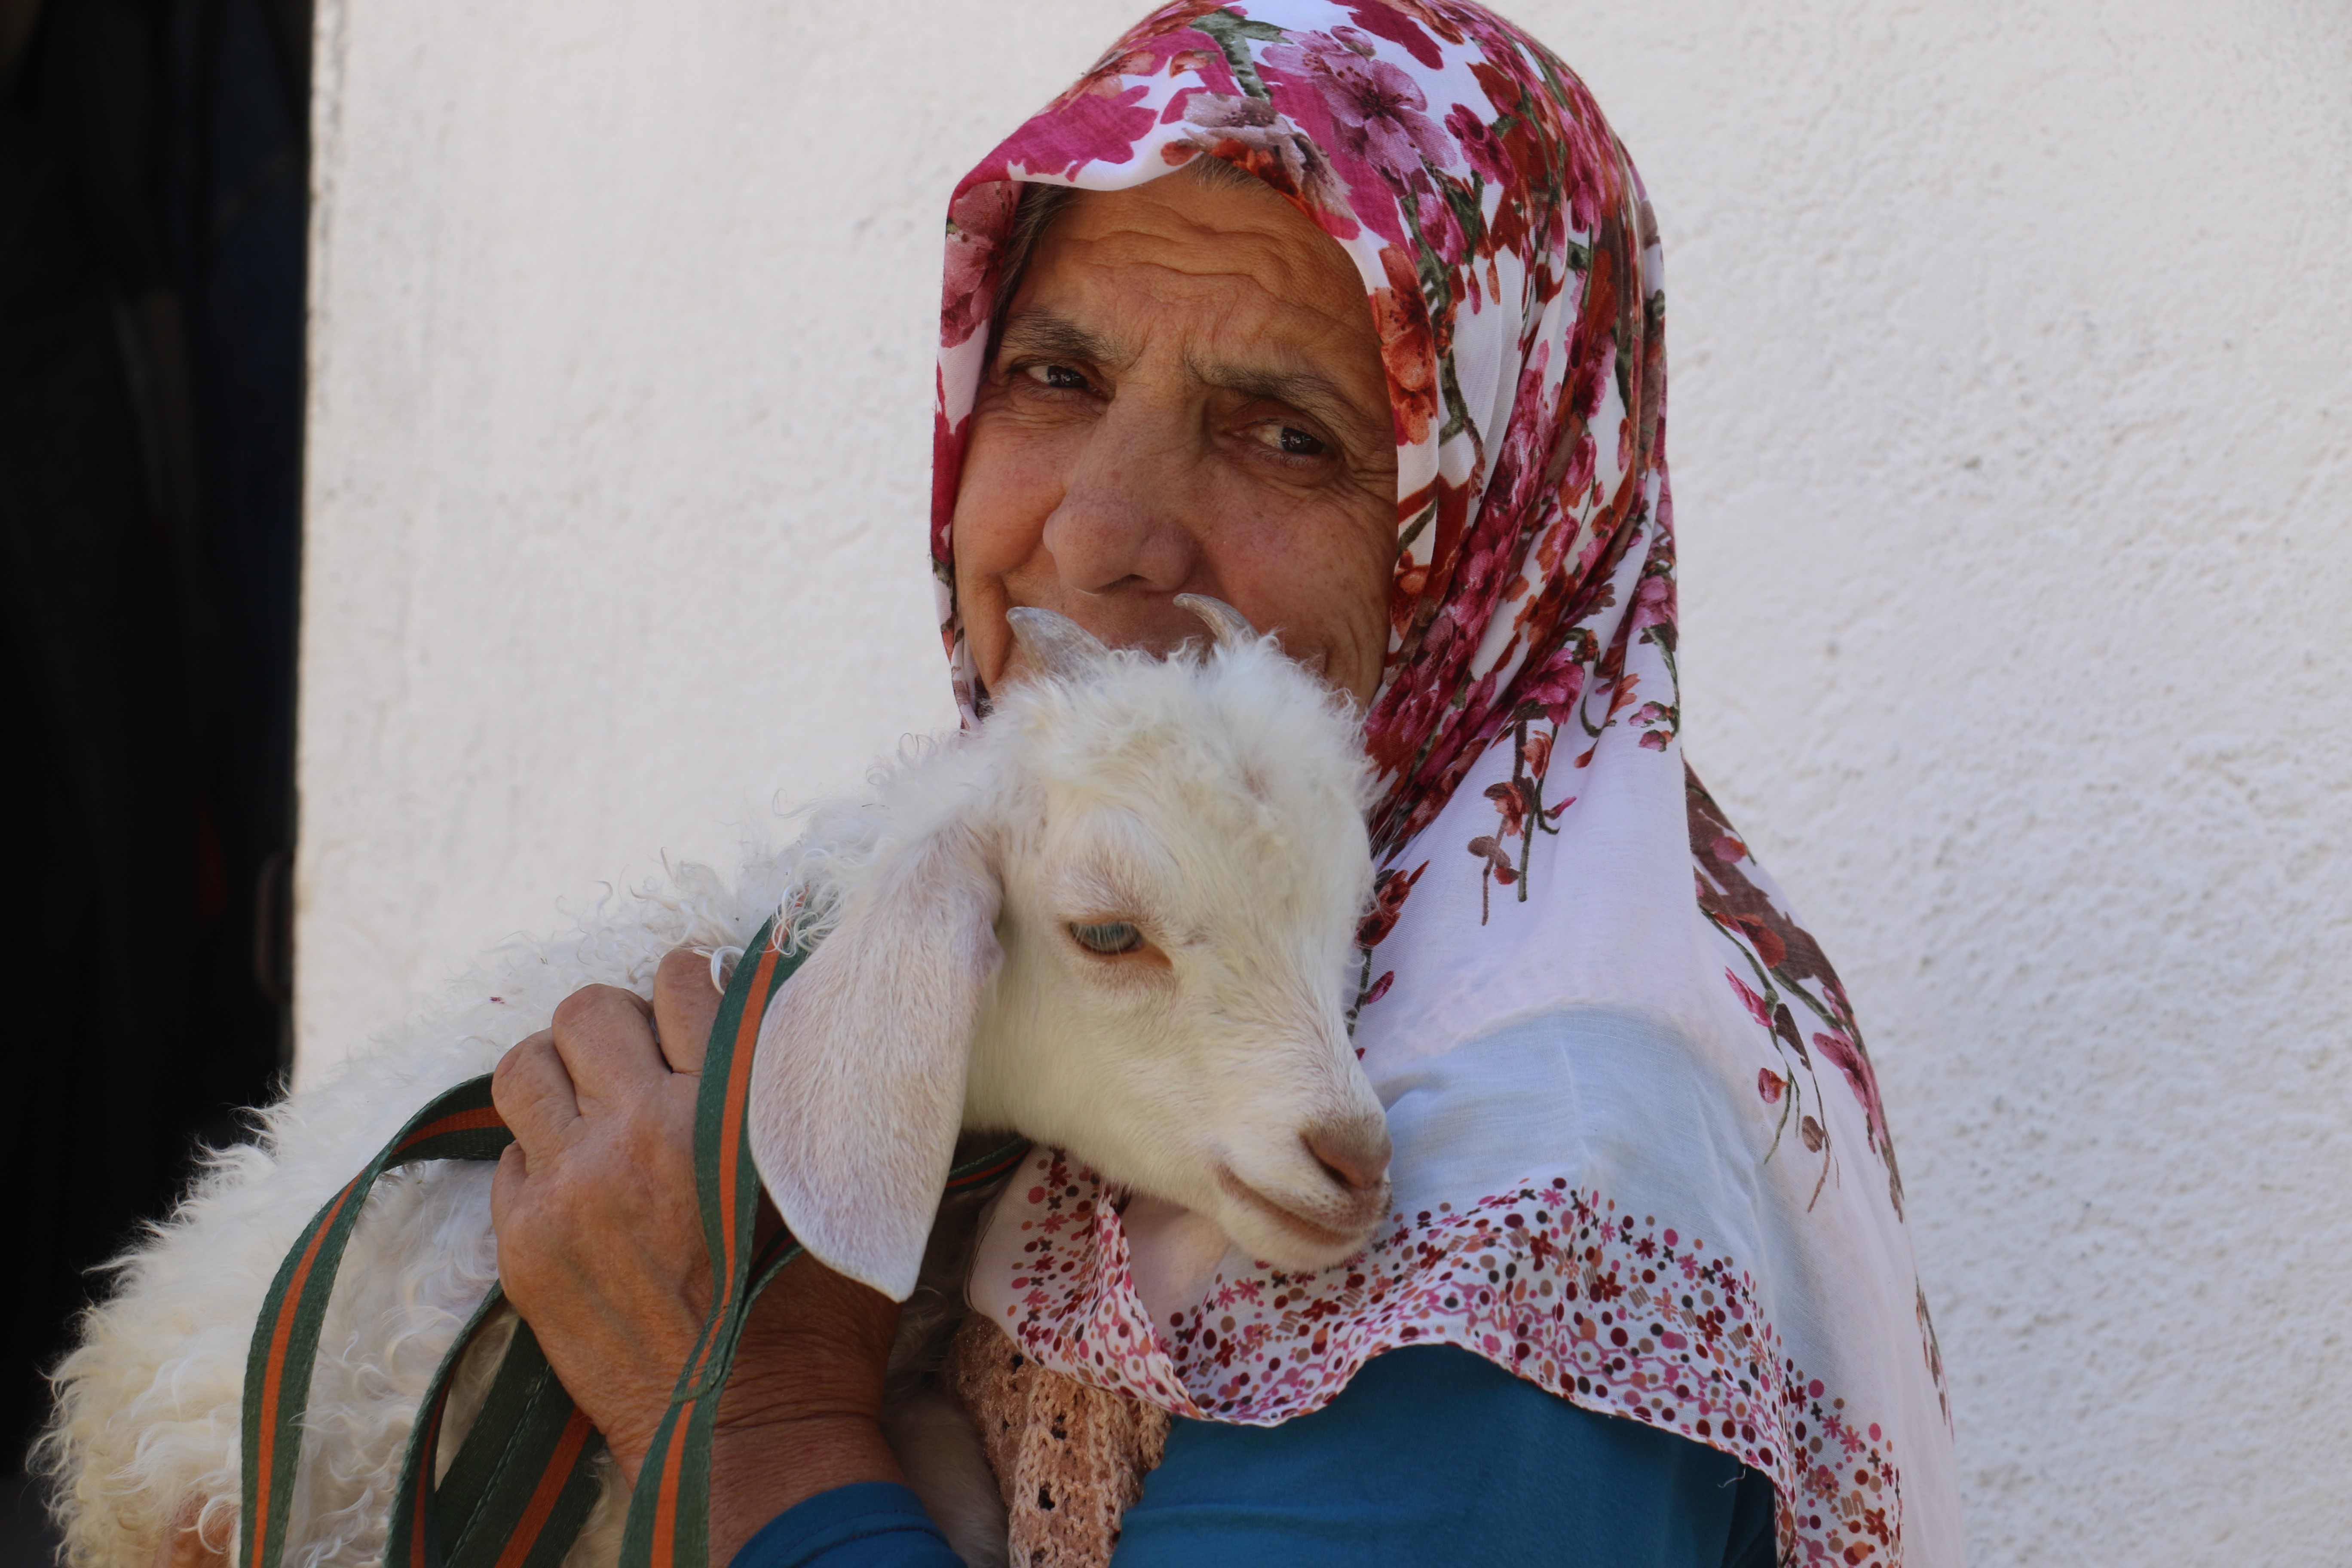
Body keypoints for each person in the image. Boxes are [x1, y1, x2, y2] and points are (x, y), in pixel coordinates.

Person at [488, 3, 1960, 1564]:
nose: (1103, 532)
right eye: (1054, 374)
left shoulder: (1526, 1183)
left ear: (1502, 539)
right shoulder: (1041, 955)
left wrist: (751, 1408)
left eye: (1285, 435)